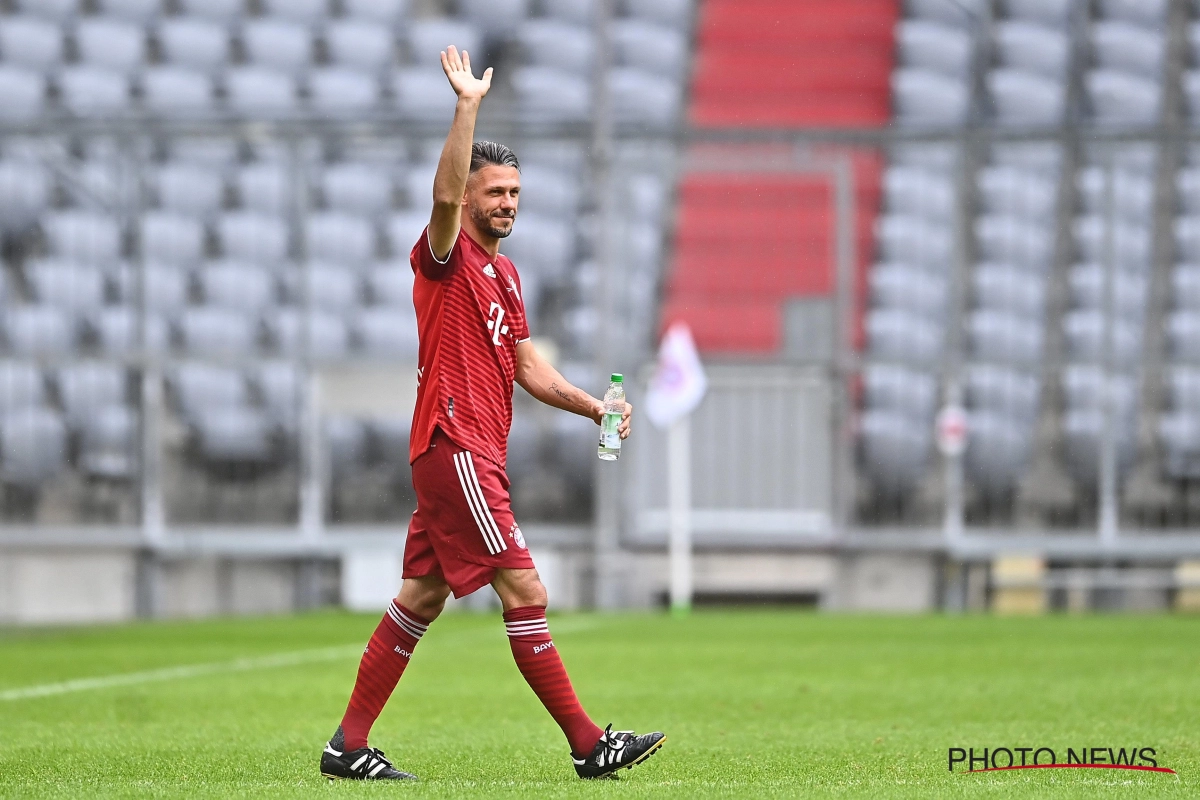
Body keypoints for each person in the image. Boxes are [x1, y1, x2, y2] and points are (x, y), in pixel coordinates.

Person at [319, 46, 666, 782]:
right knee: (526, 590)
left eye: (514, 191)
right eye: (495, 192)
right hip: (456, 446)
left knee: (422, 593)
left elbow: (530, 369)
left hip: (464, 452)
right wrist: (466, 106)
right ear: (471, 199)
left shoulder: (505, 275)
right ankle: (587, 743)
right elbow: (442, 201)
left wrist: (593, 407)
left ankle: (347, 746)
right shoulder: (444, 254)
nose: (506, 202)